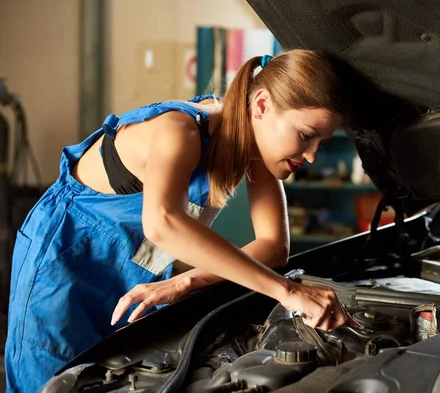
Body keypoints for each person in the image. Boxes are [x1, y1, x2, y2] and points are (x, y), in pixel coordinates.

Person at [5, 49, 353, 392]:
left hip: (136, 277)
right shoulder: (180, 130)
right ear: (261, 105)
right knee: (52, 382)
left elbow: (273, 247)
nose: (311, 155)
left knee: (116, 382)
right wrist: (288, 291)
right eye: (306, 135)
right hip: (63, 266)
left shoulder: (258, 151)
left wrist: (187, 282)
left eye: (321, 142)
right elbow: (162, 223)